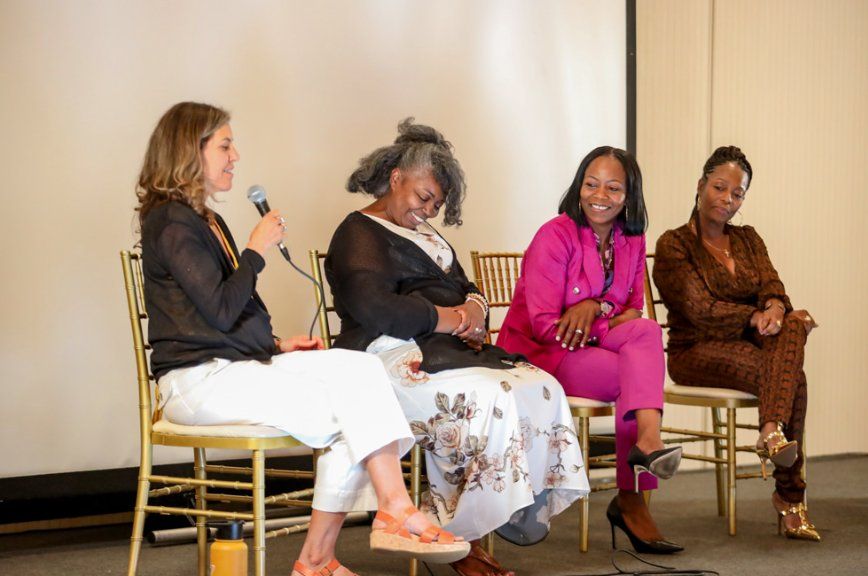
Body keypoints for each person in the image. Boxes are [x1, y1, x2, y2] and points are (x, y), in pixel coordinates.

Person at [136, 102, 470, 576]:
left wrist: (275, 346)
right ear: (191, 149)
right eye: (225, 146)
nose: (235, 156)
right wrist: (255, 251)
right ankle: (373, 524)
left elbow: (217, 316)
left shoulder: (203, 218)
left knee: (359, 368)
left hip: (234, 367)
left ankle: (329, 552)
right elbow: (221, 308)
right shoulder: (171, 221)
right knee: (351, 416)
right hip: (196, 382)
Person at [325, 119, 588, 576]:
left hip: (447, 349)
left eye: (437, 204)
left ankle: (470, 527)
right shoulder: (357, 232)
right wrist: (448, 319)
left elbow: (467, 286)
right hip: (384, 354)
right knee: (489, 397)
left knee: (542, 386)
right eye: (423, 197)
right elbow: (375, 308)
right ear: (396, 178)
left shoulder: (427, 234)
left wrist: (475, 310)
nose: (428, 210)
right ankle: (458, 542)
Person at [497, 146, 683, 554]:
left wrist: (594, 307)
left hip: (589, 339)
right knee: (636, 376)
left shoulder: (631, 237)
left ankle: (647, 441)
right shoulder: (555, 235)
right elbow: (545, 325)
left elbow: (633, 307)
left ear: (628, 195)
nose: (600, 196)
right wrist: (603, 316)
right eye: (591, 184)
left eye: (613, 188)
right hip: (541, 354)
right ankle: (633, 496)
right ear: (578, 187)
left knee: (646, 332)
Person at [653, 146, 820, 541]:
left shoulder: (748, 239)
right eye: (719, 187)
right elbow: (699, 308)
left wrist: (775, 307)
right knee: (793, 379)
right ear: (700, 185)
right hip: (694, 350)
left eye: (738, 193)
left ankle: (770, 430)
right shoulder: (674, 244)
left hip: (754, 344)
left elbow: (772, 284)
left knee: (794, 320)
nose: (727, 199)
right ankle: (789, 496)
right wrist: (753, 316)